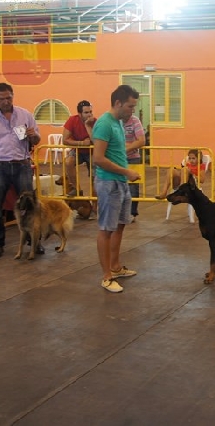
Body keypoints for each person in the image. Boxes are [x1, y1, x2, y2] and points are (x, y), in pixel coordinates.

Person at [0, 82, 42, 258]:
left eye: (9, 97)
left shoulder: (25, 115)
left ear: (13, 95)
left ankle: (34, 242)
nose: (6, 101)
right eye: (2, 98)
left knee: (31, 206)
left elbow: (36, 140)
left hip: (22, 165)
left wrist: (33, 136)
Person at [93, 84, 141, 293]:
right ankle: (106, 276)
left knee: (120, 225)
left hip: (120, 182)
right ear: (118, 103)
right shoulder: (105, 123)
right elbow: (98, 158)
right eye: (130, 106)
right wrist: (126, 172)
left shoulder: (118, 123)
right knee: (106, 229)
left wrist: (124, 175)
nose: (132, 111)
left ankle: (115, 266)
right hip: (108, 183)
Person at [62, 100, 96, 197]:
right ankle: (76, 189)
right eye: (86, 112)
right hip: (78, 150)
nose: (89, 114)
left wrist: (88, 126)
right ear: (79, 114)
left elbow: (96, 141)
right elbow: (65, 140)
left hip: (92, 152)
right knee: (68, 162)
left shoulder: (95, 121)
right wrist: (81, 143)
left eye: (90, 112)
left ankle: (94, 200)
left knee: (95, 175)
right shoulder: (72, 120)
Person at [123, 112, 146, 221]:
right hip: (117, 159)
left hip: (133, 158)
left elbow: (141, 141)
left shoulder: (135, 121)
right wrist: (132, 145)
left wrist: (125, 148)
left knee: (133, 187)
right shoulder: (114, 121)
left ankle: (132, 212)